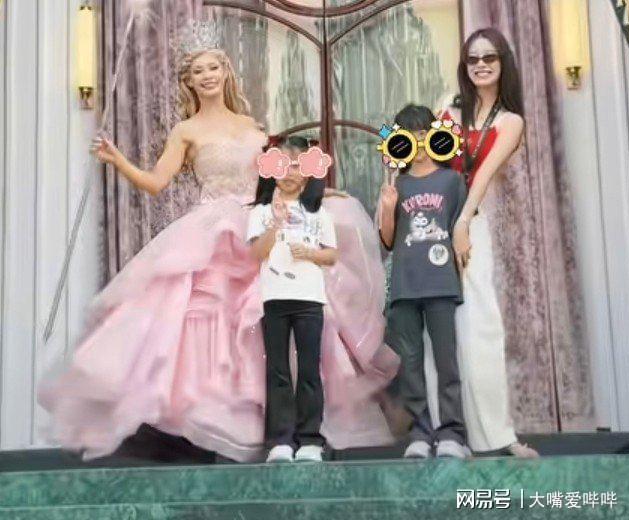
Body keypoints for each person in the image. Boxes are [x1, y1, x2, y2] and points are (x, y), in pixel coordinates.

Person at [39, 43, 398, 462]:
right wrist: (117, 159)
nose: (207, 75)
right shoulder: (186, 131)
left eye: (213, 68)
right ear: (188, 82)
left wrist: (316, 194)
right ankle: (227, 422)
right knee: (213, 320)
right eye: (198, 71)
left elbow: (275, 178)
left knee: (285, 309)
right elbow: (156, 183)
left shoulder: (252, 125)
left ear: (226, 73)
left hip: (259, 219)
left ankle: (294, 429)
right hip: (214, 228)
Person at [443, 27, 539, 458]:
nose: (480, 65)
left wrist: (463, 222)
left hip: (472, 225)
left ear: (503, 63)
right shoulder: (449, 107)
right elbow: (420, 156)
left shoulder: (510, 121)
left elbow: (481, 176)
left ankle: (497, 436)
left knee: (480, 327)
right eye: (473, 59)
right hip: (434, 225)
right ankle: (449, 435)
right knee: (437, 332)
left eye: (489, 58)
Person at [378, 104, 469, 459]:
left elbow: (462, 231)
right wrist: (388, 207)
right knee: (411, 364)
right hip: (405, 286)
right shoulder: (396, 185)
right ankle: (420, 432)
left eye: (422, 135)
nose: (416, 144)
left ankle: (452, 433)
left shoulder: (451, 181)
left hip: (442, 284)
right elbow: (387, 241)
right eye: (408, 137)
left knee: (447, 362)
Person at [248, 136, 336, 462]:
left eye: (298, 165)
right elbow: (257, 252)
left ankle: (310, 439)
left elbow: (332, 255)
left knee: (310, 370)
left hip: (310, 299)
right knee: (278, 371)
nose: (290, 172)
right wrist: (276, 224)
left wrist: (310, 253)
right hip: (273, 299)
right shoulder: (260, 212)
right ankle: (281, 440)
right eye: (283, 164)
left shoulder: (319, 213)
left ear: (310, 170)